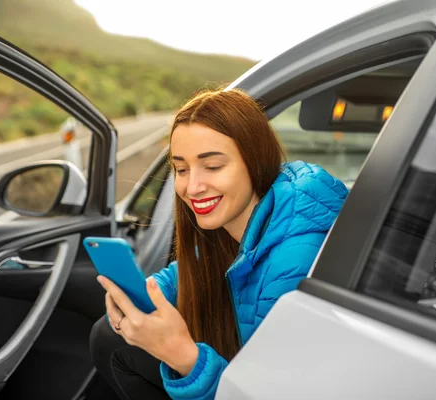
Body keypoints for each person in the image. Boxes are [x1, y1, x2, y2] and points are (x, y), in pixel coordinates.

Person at [89, 88, 348, 400]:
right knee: (109, 335)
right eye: (181, 169)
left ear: (255, 161)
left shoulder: (292, 263)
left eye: (212, 167)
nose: (193, 187)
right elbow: (189, 272)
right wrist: (146, 293)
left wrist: (184, 357)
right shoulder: (236, 220)